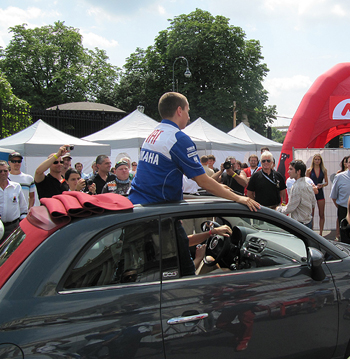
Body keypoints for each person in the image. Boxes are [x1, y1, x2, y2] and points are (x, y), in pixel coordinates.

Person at [129, 92, 260, 210]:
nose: (189, 116)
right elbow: (202, 180)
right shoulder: (178, 138)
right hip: (157, 211)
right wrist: (238, 198)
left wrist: (218, 188)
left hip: (139, 205)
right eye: (187, 110)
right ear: (179, 111)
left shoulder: (153, 134)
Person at [276, 160, 316, 228]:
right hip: (308, 223)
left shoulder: (296, 187)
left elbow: (290, 208)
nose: (288, 171)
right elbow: (313, 203)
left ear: (298, 172)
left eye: (291, 169)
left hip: (299, 225)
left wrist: (278, 209)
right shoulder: (309, 185)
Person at [0, 161, 28, 242]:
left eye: (5, 171)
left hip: (13, 226)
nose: (3, 173)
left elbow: (23, 207)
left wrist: (22, 224)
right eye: (0, 171)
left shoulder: (16, 186)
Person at [306, 154, 328, 235]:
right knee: (311, 215)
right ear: (313, 160)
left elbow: (327, 182)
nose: (317, 161)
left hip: (320, 193)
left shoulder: (324, 170)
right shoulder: (309, 170)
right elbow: (306, 182)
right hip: (312, 193)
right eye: (315, 159)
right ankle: (311, 233)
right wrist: (313, 186)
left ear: (321, 160)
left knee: (321, 214)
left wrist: (322, 185)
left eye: (318, 159)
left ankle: (321, 233)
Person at [330, 156, 350, 241]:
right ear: (347, 164)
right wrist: (340, 207)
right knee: (345, 237)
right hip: (343, 210)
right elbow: (333, 196)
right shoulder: (339, 177)